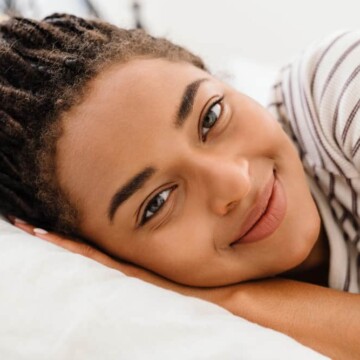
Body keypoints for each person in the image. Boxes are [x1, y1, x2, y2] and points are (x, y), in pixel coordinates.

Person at [0, 14, 359, 359]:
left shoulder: (334, 87)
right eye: (158, 202)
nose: (234, 182)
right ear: (112, 258)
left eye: (211, 117)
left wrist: (232, 299)